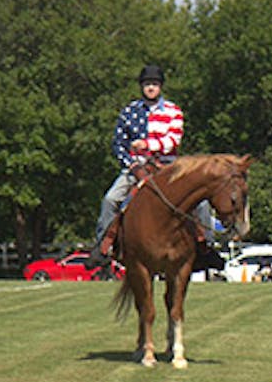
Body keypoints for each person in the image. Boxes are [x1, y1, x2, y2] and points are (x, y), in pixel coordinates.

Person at [86, 65, 222, 270]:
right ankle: (103, 247)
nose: (151, 87)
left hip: (168, 166)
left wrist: (147, 145)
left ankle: (207, 246)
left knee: (200, 202)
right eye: (147, 84)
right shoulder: (129, 112)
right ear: (141, 86)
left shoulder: (173, 111)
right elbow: (118, 144)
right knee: (111, 199)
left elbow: (173, 140)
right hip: (137, 166)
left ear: (160, 87)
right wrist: (132, 165)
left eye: (155, 84)